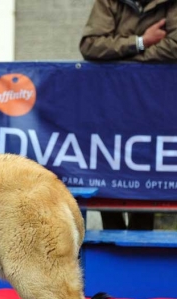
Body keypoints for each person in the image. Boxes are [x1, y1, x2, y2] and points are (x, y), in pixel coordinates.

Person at [79, 0, 175, 229]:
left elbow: (174, 45)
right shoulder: (108, 2)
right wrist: (141, 42)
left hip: (153, 109)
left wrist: (123, 62)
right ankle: (111, 247)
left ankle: (139, 253)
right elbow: (90, 46)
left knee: (146, 177)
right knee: (106, 174)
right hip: (110, 108)